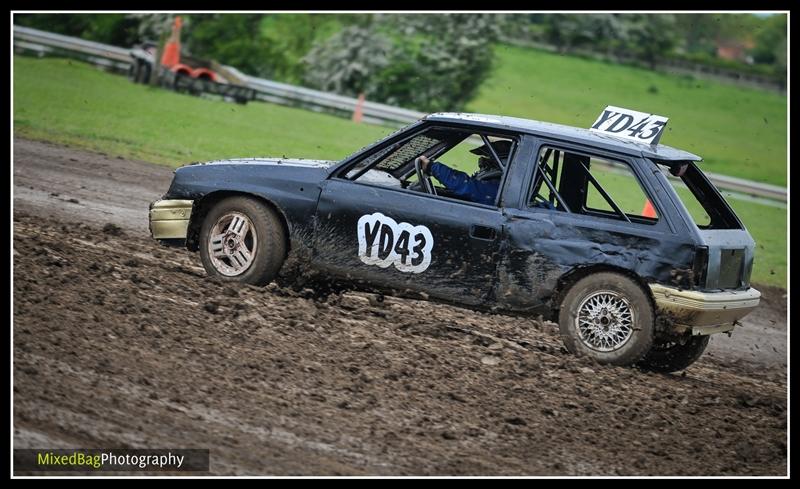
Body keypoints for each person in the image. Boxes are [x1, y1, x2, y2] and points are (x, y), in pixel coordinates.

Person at [418, 140, 511, 205]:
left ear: (503, 163)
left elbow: (466, 186)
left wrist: (432, 167)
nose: (482, 164)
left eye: (489, 160)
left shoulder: (500, 189)